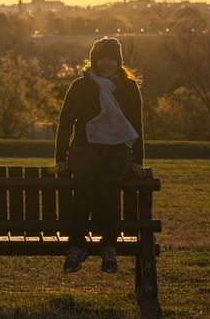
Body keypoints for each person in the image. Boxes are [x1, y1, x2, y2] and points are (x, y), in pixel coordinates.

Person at [55, 36, 146, 274]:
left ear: (118, 61)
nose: (106, 63)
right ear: (93, 60)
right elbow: (65, 124)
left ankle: (107, 245)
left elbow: (136, 125)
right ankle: (79, 245)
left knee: (107, 191)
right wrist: (60, 158)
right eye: (101, 58)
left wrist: (138, 160)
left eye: (111, 58)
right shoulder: (80, 86)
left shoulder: (128, 87)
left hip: (115, 152)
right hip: (85, 149)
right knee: (85, 190)